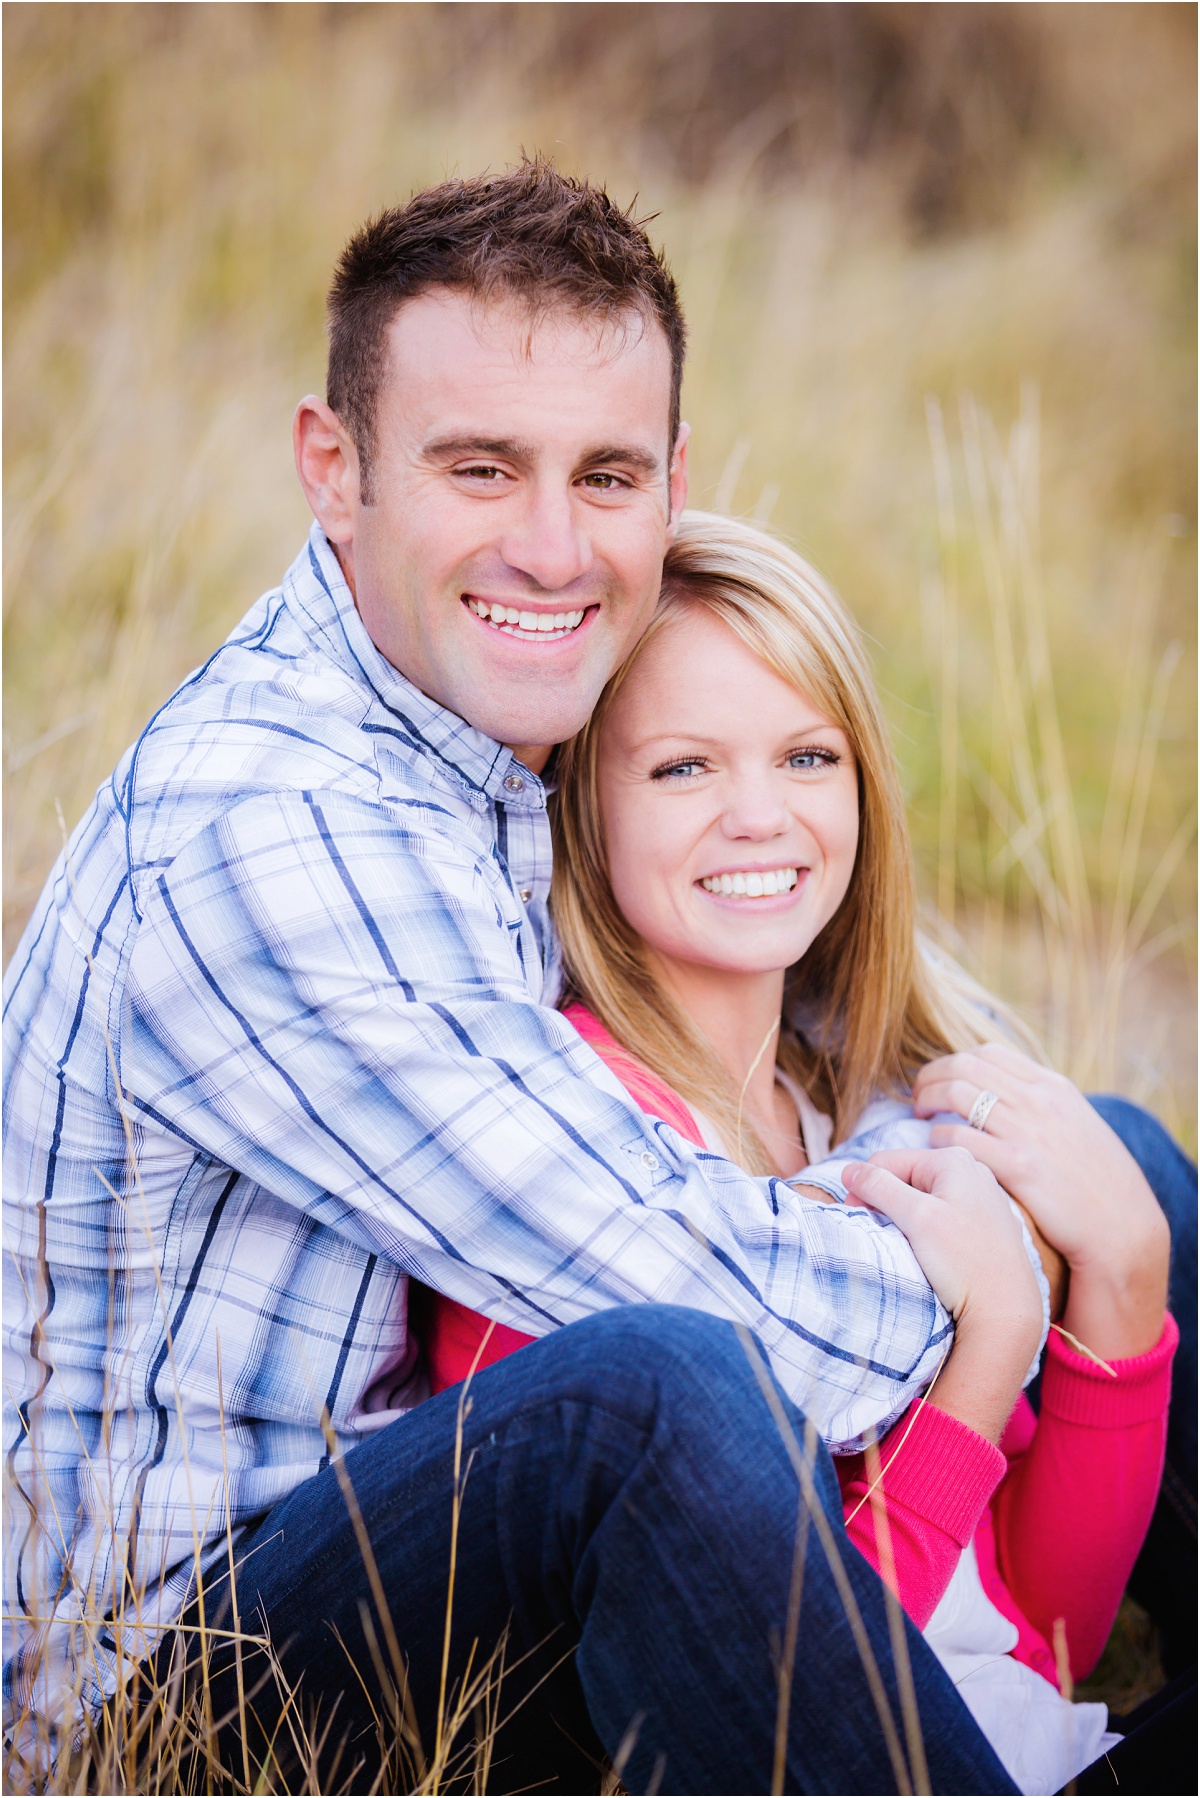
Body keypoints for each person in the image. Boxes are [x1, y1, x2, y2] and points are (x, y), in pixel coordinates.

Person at [1, 161, 1188, 1794]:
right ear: (332, 468)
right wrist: (1009, 1261)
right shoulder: (268, 835)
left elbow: (812, 979)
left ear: (676, 477)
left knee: (1127, 1159)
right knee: (654, 1393)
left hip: (413, 1523)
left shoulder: (492, 722)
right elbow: (712, 1303)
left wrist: (1080, 1201)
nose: (555, 546)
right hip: (171, 1682)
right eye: (480, 466)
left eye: (609, 473)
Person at [423, 512, 1194, 1793]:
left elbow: (1038, 1637)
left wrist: (1124, 1280)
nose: (761, 816)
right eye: (682, 768)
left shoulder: (855, 1106)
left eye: (806, 755)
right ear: (582, 804)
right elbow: (768, 1691)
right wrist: (984, 1355)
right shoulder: (558, 1160)